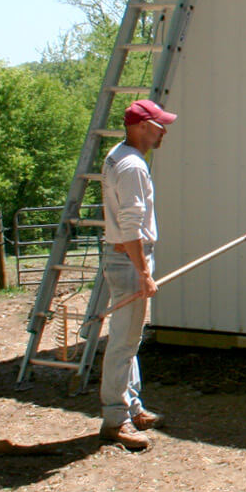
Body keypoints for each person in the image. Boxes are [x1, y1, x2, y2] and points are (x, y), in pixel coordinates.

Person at [98, 98, 177, 450]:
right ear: (143, 126)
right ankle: (116, 419)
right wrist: (144, 273)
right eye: (160, 124)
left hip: (125, 258)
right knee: (124, 343)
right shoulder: (132, 166)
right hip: (130, 260)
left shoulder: (120, 155)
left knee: (129, 339)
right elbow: (130, 225)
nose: (164, 130)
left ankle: (132, 407)